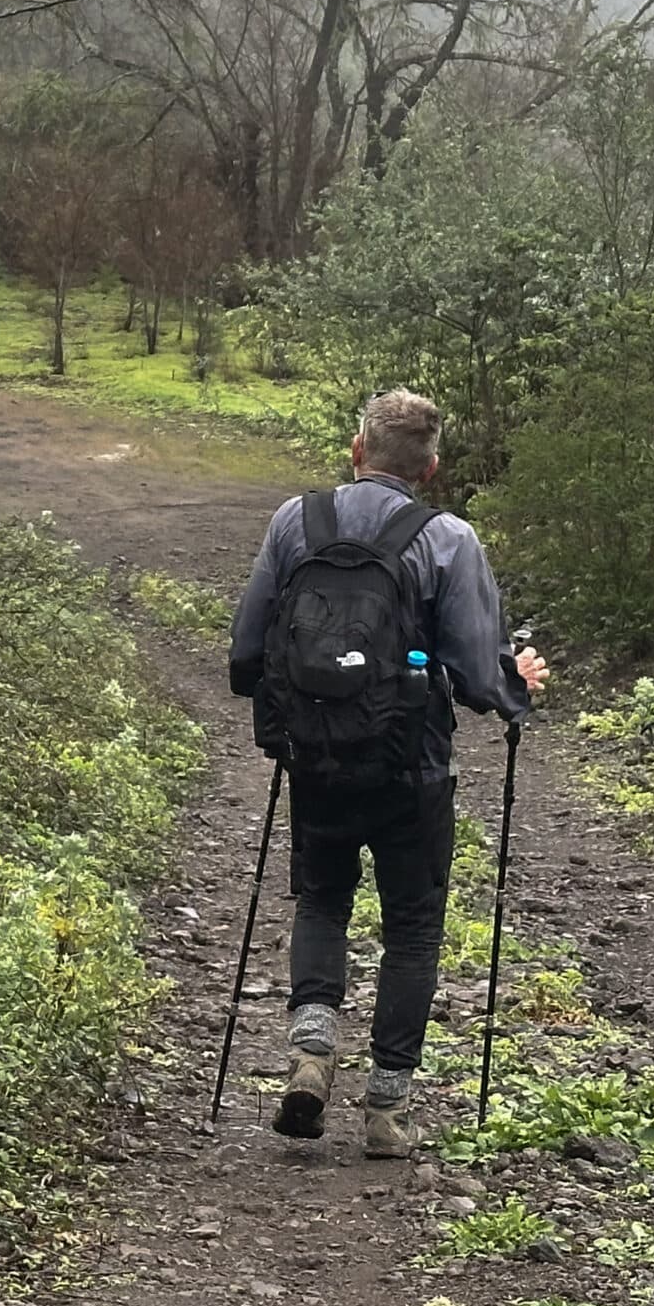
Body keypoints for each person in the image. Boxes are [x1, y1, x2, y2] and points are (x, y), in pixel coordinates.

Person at [227, 389, 548, 1156]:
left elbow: (244, 659)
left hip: (317, 759)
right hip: (412, 769)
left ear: (356, 448)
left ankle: (311, 1053)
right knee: (411, 929)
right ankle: (386, 1111)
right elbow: (477, 678)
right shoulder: (448, 538)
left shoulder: (294, 521)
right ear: (431, 467)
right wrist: (520, 686)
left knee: (322, 903)